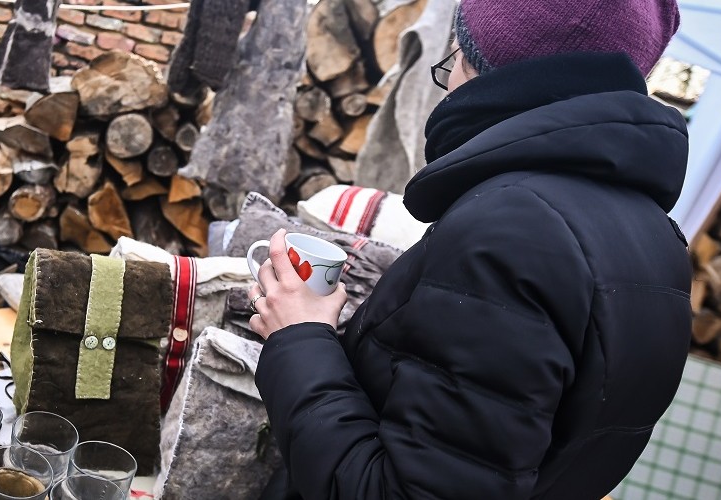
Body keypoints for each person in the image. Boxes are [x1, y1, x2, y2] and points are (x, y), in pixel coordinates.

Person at [247, 0, 692, 497]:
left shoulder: (511, 233)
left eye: (454, 57)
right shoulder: (660, 241)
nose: (446, 85)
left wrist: (299, 335)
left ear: (487, 71)